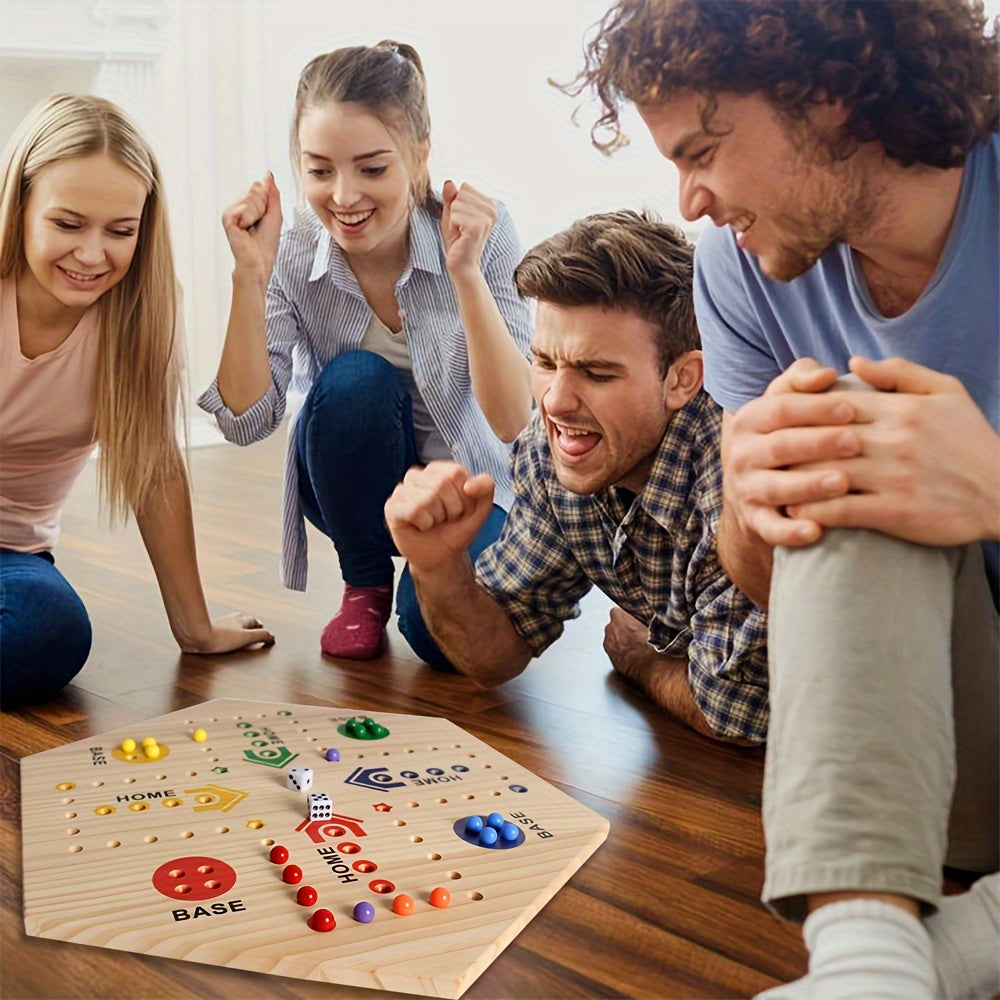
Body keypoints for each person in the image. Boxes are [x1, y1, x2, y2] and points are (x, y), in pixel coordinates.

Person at [567, 1, 999, 997]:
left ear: (829, 95)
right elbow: (769, 591)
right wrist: (748, 507)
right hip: (945, 748)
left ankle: (920, 960)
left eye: (704, 149)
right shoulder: (739, 268)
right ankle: (862, 954)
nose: (688, 200)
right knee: (833, 431)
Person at [199, 40, 532, 664]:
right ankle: (365, 579)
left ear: (419, 157)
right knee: (354, 379)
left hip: (470, 484)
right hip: (355, 484)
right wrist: (251, 275)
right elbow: (245, 421)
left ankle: (420, 583)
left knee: (441, 643)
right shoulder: (293, 248)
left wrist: (467, 275)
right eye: (320, 170)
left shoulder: (483, 231)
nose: (344, 197)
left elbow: (516, 419)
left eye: (372, 169)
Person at [385, 210, 769, 743]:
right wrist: (437, 565)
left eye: (597, 372)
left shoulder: (735, 485)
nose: (556, 402)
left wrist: (641, 662)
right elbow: (496, 655)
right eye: (544, 362)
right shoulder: (552, 450)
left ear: (683, 378)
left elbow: (739, 714)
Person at [0, 94, 274, 709]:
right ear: (19, 207)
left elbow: (153, 468)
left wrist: (196, 628)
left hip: (12, 560)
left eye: (120, 231)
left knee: (48, 628)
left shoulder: (143, 313)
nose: (93, 255)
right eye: (67, 224)